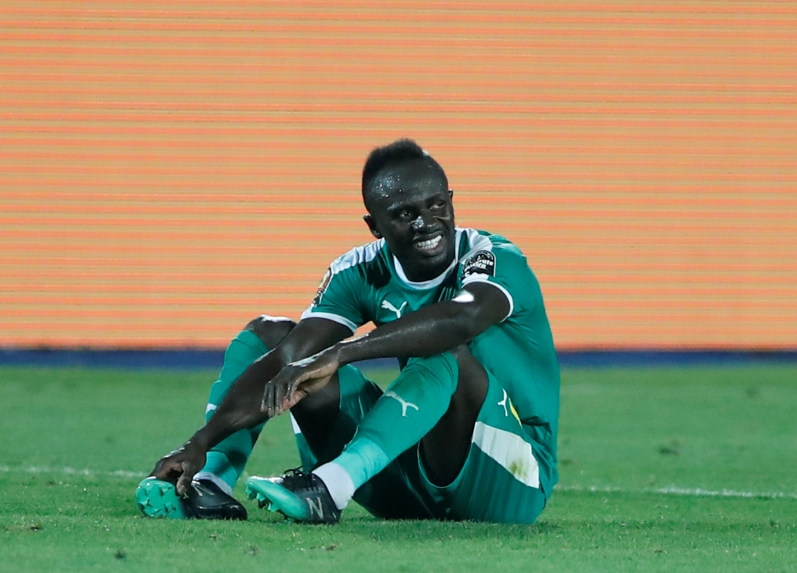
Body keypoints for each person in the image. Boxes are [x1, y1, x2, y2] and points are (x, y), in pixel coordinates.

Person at [135, 139, 560, 524]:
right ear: (374, 225)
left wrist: (342, 353)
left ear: (452, 202)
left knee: (446, 353)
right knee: (270, 336)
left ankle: (330, 487)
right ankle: (208, 481)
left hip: (510, 477)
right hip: (405, 478)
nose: (426, 223)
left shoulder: (493, 259)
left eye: (437, 206)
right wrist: (200, 440)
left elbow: (460, 321)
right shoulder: (359, 272)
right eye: (404, 214)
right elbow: (288, 359)